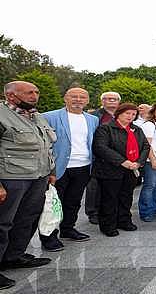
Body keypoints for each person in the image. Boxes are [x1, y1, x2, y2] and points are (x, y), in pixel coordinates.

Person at [0, 81, 56, 289]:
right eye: (29, 92)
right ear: (11, 96)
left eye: (36, 92)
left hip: (38, 177)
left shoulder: (36, 115)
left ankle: (13, 256)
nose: (34, 96)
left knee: (27, 218)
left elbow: (46, 145)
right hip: (11, 178)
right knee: (2, 222)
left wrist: (51, 171)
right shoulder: (2, 114)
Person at [39, 88, 98, 252]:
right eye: (74, 96)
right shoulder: (49, 117)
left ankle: (68, 228)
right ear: (65, 98)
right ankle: (49, 236)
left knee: (73, 201)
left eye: (82, 97)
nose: (78, 99)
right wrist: (49, 169)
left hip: (83, 166)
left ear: (87, 100)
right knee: (52, 203)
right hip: (58, 168)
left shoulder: (92, 119)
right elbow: (44, 144)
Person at [92, 103, 149, 236]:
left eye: (134, 114)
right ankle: (108, 225)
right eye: (127, 113)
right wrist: (123, 162)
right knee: (109, 199)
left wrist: (139, 162)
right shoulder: (105, 128)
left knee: (126, 197)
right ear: (119, 113)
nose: (131, 116)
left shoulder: (136, 129)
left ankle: (124, 220)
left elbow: (145, 146)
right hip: (110, 170)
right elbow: (101, 147)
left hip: (131, 169)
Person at [86, 91, 121, 224]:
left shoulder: (121, 115)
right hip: (98, 155)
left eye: (115, 99)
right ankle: (93, 212)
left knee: (111, 186)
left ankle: (109, 209)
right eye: (108, 99)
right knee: (94, 186)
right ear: (102, 101)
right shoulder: (94, 116)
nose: (112, 101)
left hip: (117, 156)